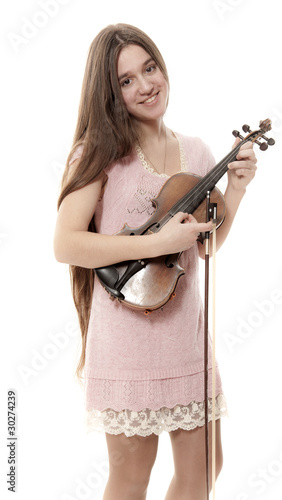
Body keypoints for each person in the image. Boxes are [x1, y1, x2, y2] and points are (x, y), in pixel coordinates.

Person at [54, 23, 257, 500]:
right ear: (109, 92)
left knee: (207, 465)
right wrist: (152, 242)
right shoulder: (99, 152)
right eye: (126, 80)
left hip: (186, 338)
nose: (146, 85)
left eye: (149, 68)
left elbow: (206, 247)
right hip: (127, 344)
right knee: (131, 479)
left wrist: (237, 190)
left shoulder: (198, 151)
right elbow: (66, 244)